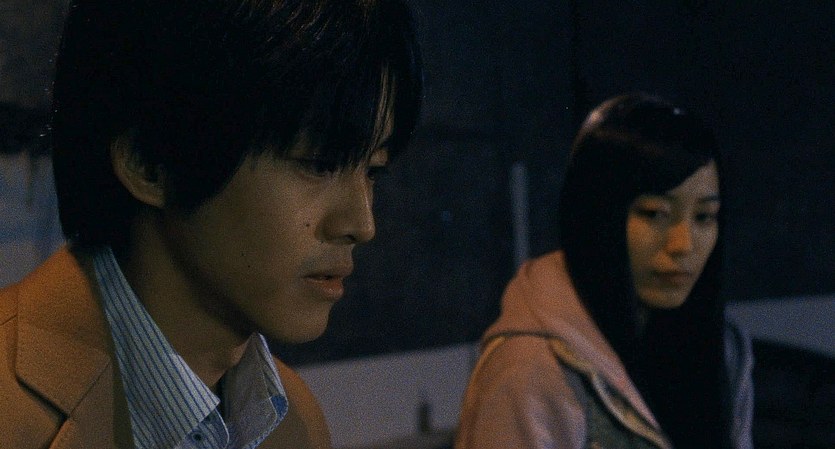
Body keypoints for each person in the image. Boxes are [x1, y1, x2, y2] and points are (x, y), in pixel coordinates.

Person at [0, 0, 422, 447]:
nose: (362, 224)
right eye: (319, 164)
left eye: (373, 170)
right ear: (150, 163)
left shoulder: (290, 422)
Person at [455, 93, 753, 449]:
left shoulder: (722, 351)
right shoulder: (531, 368)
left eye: (704, 216)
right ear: (600, 217)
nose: (683, 244)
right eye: (655, 213)